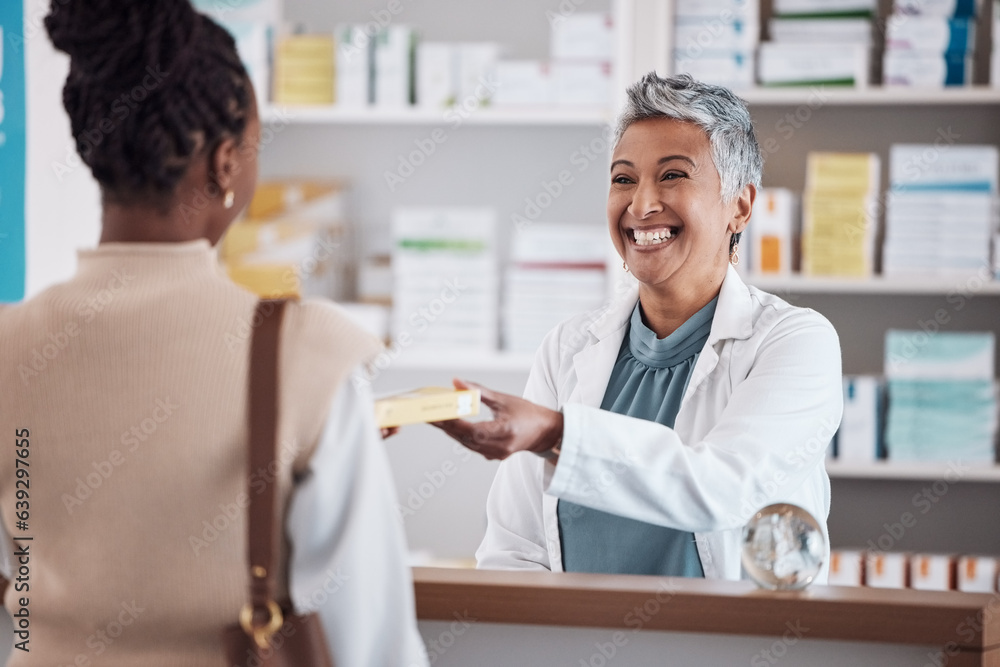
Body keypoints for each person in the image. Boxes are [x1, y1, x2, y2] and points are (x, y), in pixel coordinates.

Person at [0, 1, 427, 665]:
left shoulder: (11, 344)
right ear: (226, 163)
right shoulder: (305, 354)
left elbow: (18, 593)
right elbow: (373, 645)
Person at [432, 72, 843, 582]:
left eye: (672, 175)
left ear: (740, 205)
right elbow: (515, 550)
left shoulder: (794, 341)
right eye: (623, 179)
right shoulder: (567, 349)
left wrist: (554, 432)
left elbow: (726, 490)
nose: (641, 205)